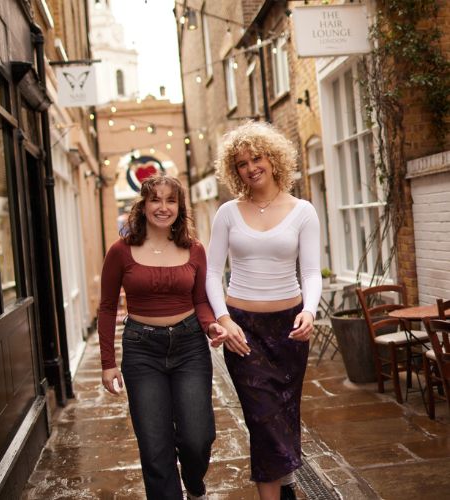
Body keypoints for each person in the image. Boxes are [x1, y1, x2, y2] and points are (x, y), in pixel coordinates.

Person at [205, 121, 322, 500]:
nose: (251, 167)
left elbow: (309, 271)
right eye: (241, 163)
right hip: (244, 331)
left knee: (284, 414)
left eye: (257, 158)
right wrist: (224, 319)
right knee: (262, 418)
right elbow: (210, 272)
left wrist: (310, 310)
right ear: (233, 170)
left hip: (289, 331)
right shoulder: (227, 212)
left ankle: (285, 486)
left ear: (272, 160)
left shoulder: (303, 211)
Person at [98, 174, 227, 500]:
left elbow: (200, 300)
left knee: (197, 437)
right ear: (143, 205)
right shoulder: (121, 251)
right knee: (155, 446)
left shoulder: (194, 249)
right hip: (142, 352)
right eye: (156, 199)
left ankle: (194, 482)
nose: (163, 207)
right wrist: (108, 362)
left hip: (189, 347)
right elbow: (107, 306)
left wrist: (210, 324)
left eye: (171, 200)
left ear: (180, 207)